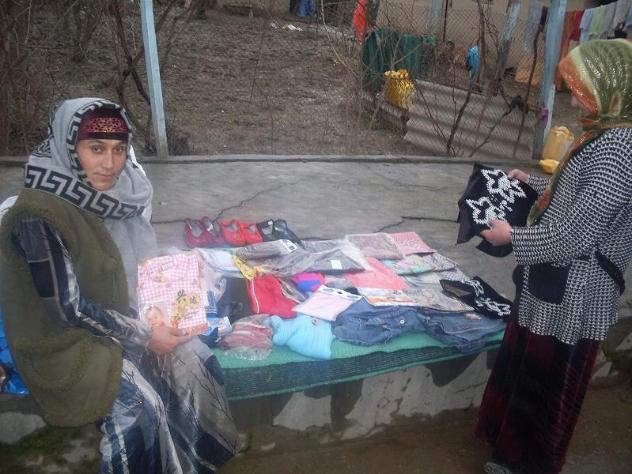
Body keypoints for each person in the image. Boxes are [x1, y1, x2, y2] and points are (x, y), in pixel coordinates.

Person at [0, 98, 240, 472]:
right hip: (62, 345)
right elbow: (67, 309)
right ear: (69, 147)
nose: (110, 164)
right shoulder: (37, 216)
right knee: (140, 408)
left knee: (192, 361)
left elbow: (131, 275)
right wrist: (145, 336)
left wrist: (162, 312)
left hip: (114, 324)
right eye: (96, 149)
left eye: (119, 149)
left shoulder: (115, 199)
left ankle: (198, 464)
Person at [476, 39, 632, 474]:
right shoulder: (602, 132)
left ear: (612, 89)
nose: (576, 98)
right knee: (527, 367)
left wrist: (513, 237)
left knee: (543, 381)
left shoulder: (619, 147)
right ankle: (507, 449)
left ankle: (525, 463)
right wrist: (534, 185)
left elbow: (578, 234)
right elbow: (578, 198)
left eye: (583, 89)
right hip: (557, 281)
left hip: (577, 293)